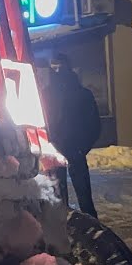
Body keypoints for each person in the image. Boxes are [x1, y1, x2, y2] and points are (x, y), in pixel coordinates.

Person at [43, 53, 102, 218]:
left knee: (81, 196)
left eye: (60, 66)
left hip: (72, 147)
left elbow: (93, 124)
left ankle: (88, 226)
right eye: (54, 67)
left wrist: (82, 147)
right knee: (59, 197)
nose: (58, 70)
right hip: (57, 148)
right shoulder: (46, 94)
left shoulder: (81, 94)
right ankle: (66, 227)